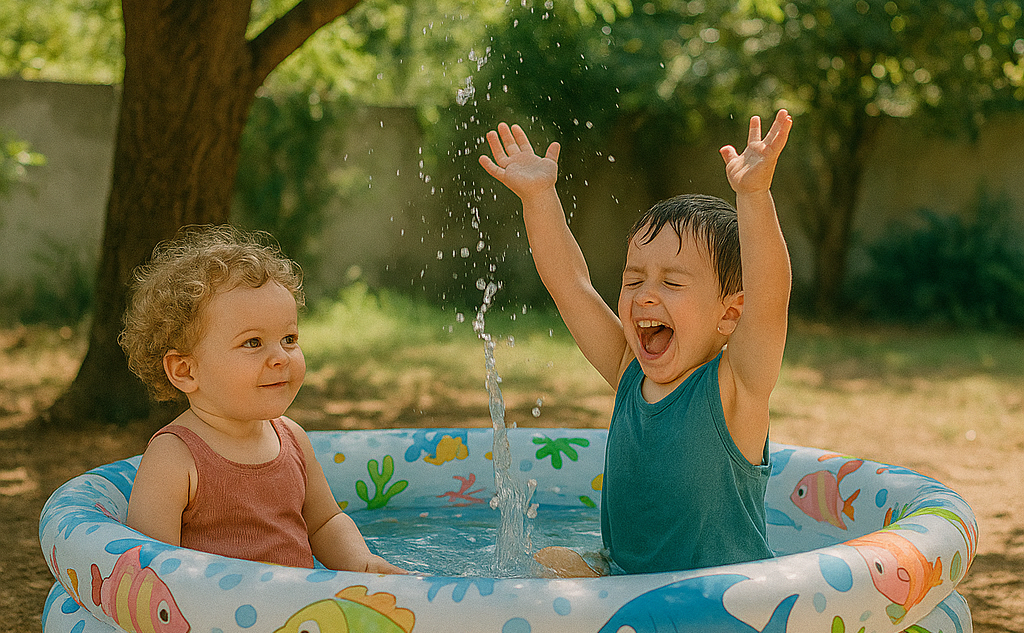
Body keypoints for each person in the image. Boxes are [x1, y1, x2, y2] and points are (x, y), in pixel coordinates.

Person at [479, 111, 793, 576]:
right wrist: (540, 197)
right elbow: (571, 285)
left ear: (729, 314)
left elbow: (770, 298)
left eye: (672, 283)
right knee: (548, 564)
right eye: (634, 279)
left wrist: (753, 195)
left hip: (721, 599)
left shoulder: (736, 389)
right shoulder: (630, 369)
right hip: (624, 588)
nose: (645, 294)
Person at [119, 227, 404, 573]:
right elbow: (150, 567)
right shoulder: (175, 457)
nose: (280, 357)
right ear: (185, 370)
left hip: (300, 621)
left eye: (288, 338)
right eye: (253, 342)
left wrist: (362, 564)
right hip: (221, 623)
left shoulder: (293, 439)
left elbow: (324, 522)